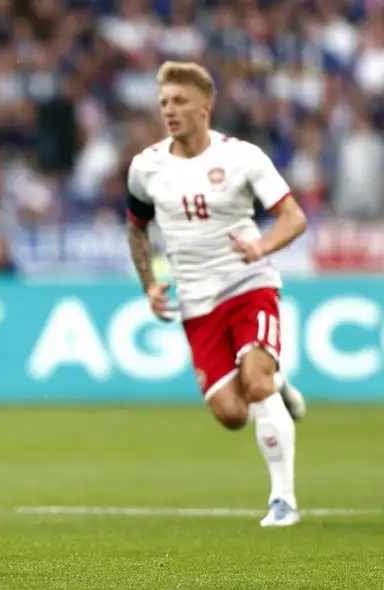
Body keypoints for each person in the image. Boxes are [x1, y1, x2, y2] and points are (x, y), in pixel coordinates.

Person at [125, 61, 308, 527]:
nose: (169, 110)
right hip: (195, 299)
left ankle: (283, 500)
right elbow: (137, 229)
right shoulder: (146, 167)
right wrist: (148, 283)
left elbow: (293, 217)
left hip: (249, 284)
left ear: (205, 107)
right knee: (231, 413)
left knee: (256, 381)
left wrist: (262, 247)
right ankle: (280, 387)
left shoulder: (242, 157)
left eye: (179, 101)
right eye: (164, 102)